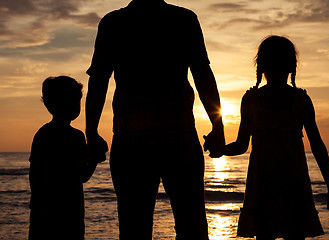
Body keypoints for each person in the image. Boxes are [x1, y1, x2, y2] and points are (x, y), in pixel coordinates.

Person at [85, 0, 225, 239]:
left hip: (133, 141)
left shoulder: (114, 22)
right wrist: (217, 125)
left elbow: (98, 82)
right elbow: (202, 74)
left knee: (134, 227)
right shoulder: (183, 19)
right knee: (191, 225)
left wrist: (92, 132)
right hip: (177, 137)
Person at [221, 35, 329, 239]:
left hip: (267, 183)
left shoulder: (253, 100)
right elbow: (317, 146)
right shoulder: (299, 100)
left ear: (261, 66)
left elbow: (241, 146)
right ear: (292, 66)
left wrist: (220, 150)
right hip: (291, 182)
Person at [29, 76, 102, 240]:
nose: (77, 107)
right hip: (70, 210)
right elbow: (82, 176)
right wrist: (95, 159)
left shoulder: (41, 134)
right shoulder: (76, 137)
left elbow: (34, 175)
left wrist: (37, 204)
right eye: (76, 102)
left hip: (42, 210)